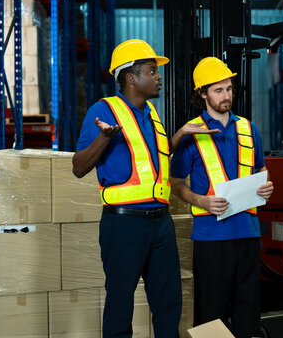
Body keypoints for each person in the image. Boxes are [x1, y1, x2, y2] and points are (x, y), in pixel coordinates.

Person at [72, 39, 219, 338]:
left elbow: (155, 159)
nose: (158, 76)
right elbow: (78, 167)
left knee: (169, 303)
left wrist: (180, 134)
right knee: (120, 303)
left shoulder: (151, 113)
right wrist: (104, 139)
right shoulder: (103, 111)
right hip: (123, 224)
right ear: (130, 77)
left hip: (160, 223)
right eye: (151, 71)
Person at [169, 57, 274, 338]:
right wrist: (201, 200)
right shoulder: (191, 133)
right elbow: (175, 183)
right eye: (218, 90)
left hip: (248, 233)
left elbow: (261, 168)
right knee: (211, 313)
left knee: (248, 309)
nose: (226, 96)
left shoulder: (248, 129)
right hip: (211, 236)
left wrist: (266, 186)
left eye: (229, 88)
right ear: (202, 94)